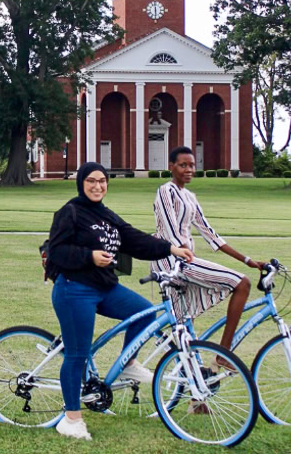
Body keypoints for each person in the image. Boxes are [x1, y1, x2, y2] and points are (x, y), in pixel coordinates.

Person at [47, 162, 193, 440]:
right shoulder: (71, 212)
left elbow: (136, 240)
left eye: (102, 181)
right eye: (91, 181)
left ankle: (128, 364)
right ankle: (71, 419)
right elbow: (57, 251)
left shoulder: (107, 216)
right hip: (74, 289)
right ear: (81, 183)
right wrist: (90, 256)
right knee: (78, 353)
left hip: (105, 287)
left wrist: (171, 248)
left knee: (146, 314)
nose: (97, 186)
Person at [152, 146, 264, 370]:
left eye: (192, 165)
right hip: (172, 262)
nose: (189, 169)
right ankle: (223, 355)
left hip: (185, 260)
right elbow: (172, 231)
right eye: (183, 165)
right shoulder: (166, 191)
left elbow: (211, 235)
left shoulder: (190, 196)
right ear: (171, 167)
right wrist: (188, 255)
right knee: (241, 283)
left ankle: (196, 398)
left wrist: (249, 261)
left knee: (185, 328)